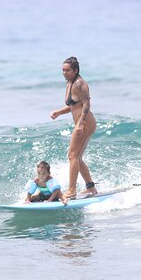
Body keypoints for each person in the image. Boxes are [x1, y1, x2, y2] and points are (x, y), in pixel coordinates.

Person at [50, 56, 97, 199]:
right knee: (77, 156)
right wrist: (59, 112)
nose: (64, 73)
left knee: (72, 155)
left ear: (75, 70)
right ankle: (90, 187)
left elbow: (86, 105)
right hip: (81, 123)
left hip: (85, 123)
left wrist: (81, 123)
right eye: (63, 70)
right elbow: (73, 106)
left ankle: (71, 190)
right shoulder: (69, 83)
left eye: (68, 70)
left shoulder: (79, 84)